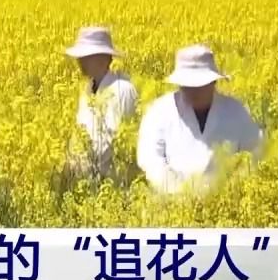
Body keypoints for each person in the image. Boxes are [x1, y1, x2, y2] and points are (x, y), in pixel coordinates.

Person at [137, 44, 262, 194]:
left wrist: (231, 190)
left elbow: (255, 154)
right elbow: (151, 160)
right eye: (187, 86)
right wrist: (180, 194)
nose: (193, 91)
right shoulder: (159, 112)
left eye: (199, 85)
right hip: (172, 205)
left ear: (213, 82)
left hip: (227, 202)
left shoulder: (235, 111)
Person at [66, 27, 138, 171]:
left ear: (105, 58)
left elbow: (112, 140)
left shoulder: (121, 89)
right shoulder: (87, 90)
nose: (80, 61)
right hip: (84, 178)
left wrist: (85, 169)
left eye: (86, 56)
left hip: (110, 181)